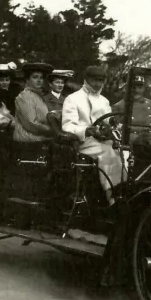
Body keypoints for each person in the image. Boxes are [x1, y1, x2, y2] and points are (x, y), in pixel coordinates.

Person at [62, 65, 125, 206]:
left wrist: (110, 125)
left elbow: (108, 120)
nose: (97, 84)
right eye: (94, 80)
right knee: (108, 153)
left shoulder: (104, 101)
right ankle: (112, 199)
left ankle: (123, 193)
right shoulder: (73, 99)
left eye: (101, 80)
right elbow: (67, 126)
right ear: (86, 79)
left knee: (124, 152)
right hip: (83, 142)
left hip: (102, 141)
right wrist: (86, 130)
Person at [111, 75, 151, 145]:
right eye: (133, 87)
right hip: (130, 148)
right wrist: (134, 139)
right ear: (126, 88)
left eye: (140, 87)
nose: (137, 91)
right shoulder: (118, 106)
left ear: (144, 88)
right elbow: (116, 130)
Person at [13, 62, 55, 143]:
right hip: (27, 142)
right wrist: (53, 130)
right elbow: (31, 123)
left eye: (41, 77)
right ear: (27, 79)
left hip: (40, 140)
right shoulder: (24, 96)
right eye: (35, 77)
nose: (39, 80)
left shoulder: (38, 96)